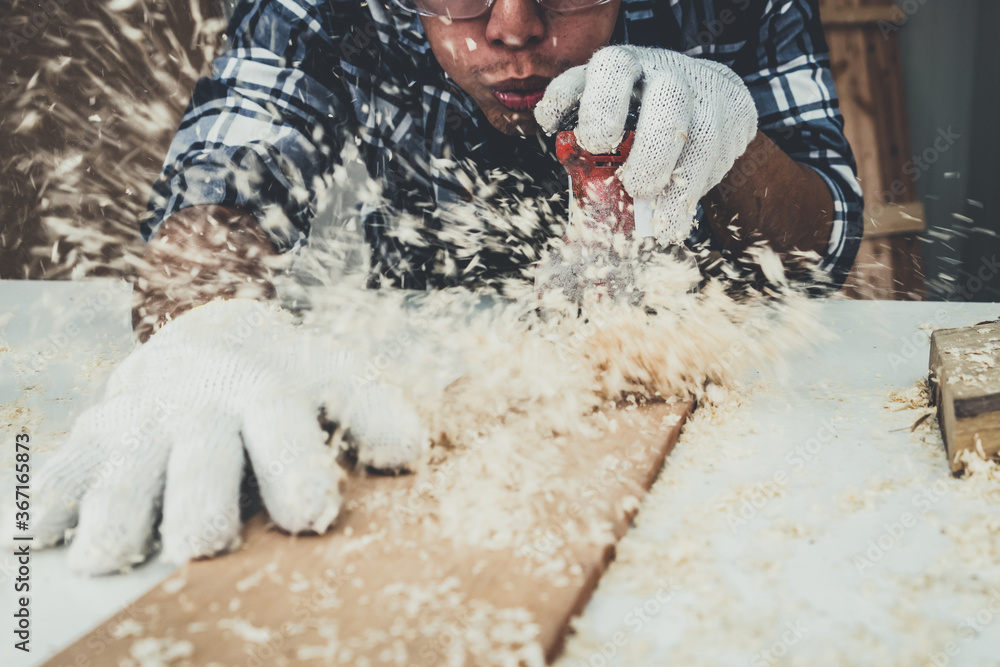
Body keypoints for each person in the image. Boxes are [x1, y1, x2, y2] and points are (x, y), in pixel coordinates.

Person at [27, 0, 863, 574]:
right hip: (425, 407)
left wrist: (737, 149)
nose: (512, 31)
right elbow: (222, 184)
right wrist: (206, 328)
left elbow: (826, 243)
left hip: (721, 434)